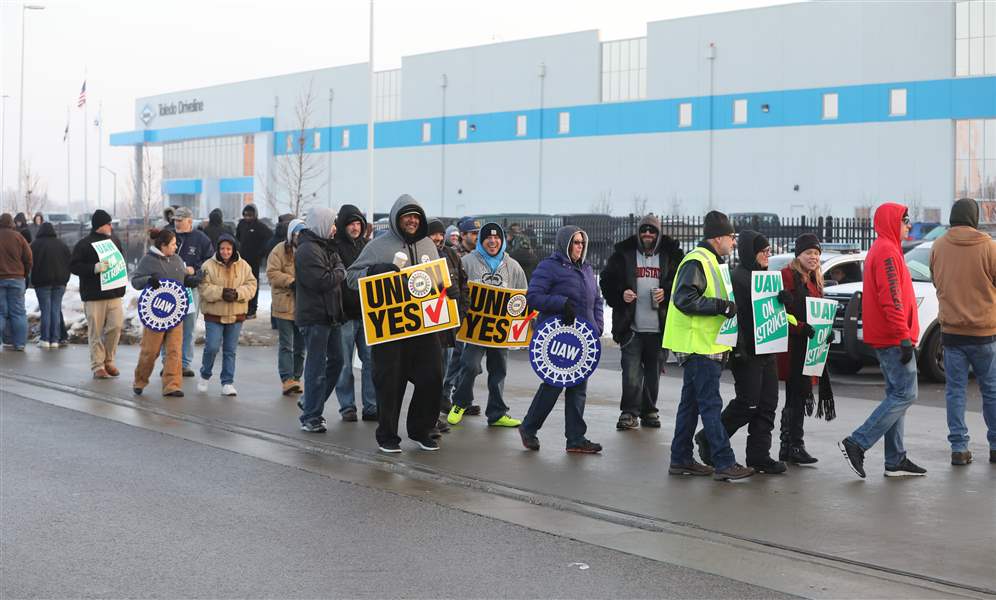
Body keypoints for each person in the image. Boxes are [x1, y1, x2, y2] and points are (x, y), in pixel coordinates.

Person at [346, 194, 443, 453]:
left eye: (416, 217)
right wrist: (373, 271)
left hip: (424, 326)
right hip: (391, 328)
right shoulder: (378, 246)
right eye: (407, 216)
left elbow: (437, 281)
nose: (412, 221)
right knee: (390, 383)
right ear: (396, 219)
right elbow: (350, 277)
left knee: (432, 377)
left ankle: (422, 430)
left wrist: (447, 290)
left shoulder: (428, 245)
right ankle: (387, 435)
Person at [663, 211, 754, 481]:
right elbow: (684, 299)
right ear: (717, 238)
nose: (734, 242)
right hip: (699, 346)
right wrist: (721, 306)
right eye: (731, 236)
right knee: (710, 405)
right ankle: (724, 462)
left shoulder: (710, 261)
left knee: (690, 406)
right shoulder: (698, 260)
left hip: (704, 345)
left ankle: (680, 458)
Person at [839, 203, 925, 478]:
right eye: (905, 220)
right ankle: (857, 442)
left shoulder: (887, 248)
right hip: (893, 338)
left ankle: (895, 459)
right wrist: (903, 337)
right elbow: (892, 299)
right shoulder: (887, 251)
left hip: (891, 337)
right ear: (891, 221)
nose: (909, 225)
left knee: (896, 395)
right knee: (906, 394)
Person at [693, 231, 787, 474]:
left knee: (767, 404)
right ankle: (710, 439)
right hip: (746, 352)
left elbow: (771, 314)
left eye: (768, 251)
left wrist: (782, 302)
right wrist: (738, 348)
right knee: (748, 403)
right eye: (762, 251)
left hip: (767, 348)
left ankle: (759, 455)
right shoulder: (737, 278)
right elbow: (735, 317)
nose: (767, 255)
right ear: (750, 252)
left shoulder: (766, 278)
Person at [519, 225, 604, 454]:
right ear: (565, 244)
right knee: (553, 386)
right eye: (576, 242)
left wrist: (597, 326)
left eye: (582, 243)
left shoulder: (586, 268)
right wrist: (560, 303)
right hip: (557, 337)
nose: (580, 247)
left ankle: (576, 439)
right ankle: (528, 428)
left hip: (582, 339)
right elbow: (533, 297)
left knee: (578, 389)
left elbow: (596, 300)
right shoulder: (549, 267)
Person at [600, 214, 683, 430]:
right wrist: (621, 294)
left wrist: (666, 293)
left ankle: (649, 411)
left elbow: (682, 285)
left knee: (653, 374)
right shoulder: (623, 254)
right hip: (631, 327)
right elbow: (606, 282)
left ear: (658, 234)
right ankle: (629, 413)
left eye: (652, 230)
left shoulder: (671, 256)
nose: (647, 234)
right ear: (638, 233)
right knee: (631, 373)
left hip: (659, 328)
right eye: (644, 230)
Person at [929, 198, 996, 466]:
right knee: (991, 390)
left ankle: (959, 447)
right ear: (974, 217)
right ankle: (995, 446)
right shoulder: (989, 246)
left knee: (955, 391)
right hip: (984, 332)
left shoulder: (938, 245)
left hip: (952, 332)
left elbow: (936, 280)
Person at [447, 221, 524, 428]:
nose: (492, 241)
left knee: (499, 370)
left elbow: (522, 296)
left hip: (500, 329)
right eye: (488, 237)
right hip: (474, 328)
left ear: (502, 240)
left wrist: (521, 324)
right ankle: (460, 403)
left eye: (496, 237)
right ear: (481, 240)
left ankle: (497, 413)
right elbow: (457, 288)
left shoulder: (513, 266)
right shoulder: (467, 262)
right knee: (470, 365)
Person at [775, 233, 832, 465]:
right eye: (809, 252)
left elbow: (818, 313)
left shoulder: (815, 279)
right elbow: (779, 312)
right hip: (793, 348)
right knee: (796, 395)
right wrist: (800, 327)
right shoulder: (787, 275)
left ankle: (790, 446)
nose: (813, 257)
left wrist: (825, 331)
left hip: (809, 347)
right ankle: (793, 445)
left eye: (817, 253)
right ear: (798, 254)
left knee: (797, 396)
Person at [296, 208, 347, 431]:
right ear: (322, 223)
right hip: (315, 317)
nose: (335, 228)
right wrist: (338, 272)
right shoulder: (307, 250)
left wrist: (337, 270)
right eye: (332, 223)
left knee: (337, 361)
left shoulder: (326, 246)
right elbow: (322, 280)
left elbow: (339, 267)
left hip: (331, 315)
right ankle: (311, 417)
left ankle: (310, 402)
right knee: (316, 368)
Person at [131, 228, 197, 397]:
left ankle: (172, 385)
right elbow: (135, 281)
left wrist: (192, 280)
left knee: (174, 350)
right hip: (156, 314)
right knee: (150, 351)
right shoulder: (148, 260)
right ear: (163, 245)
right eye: (173, 244)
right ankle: (140, 380)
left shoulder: (177, 259)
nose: (176, 247)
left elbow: (183, 279)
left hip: (175, 313)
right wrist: (148, 280)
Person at [196, 234, 257, 396]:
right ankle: (205, 375)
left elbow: (252, 285)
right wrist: (221, 293)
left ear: (234, 249)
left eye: (229, 249)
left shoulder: (244, 266)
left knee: (230, 350)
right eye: (222, 248)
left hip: (236, 314)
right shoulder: (208, 265)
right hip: (214, 314)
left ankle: (227, 382)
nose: (225, 252)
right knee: (212, 347)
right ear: (218, 249)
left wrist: (237, 294)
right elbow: (203, 287)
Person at [333, 204, 377, 422]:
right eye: (351, 223)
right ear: (343, 225)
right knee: (344, 364)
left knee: (371, 361)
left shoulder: (367, 246)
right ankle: (347, 406)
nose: (355, 227)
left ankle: (371, 406)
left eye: (358, 223)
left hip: (367, 315)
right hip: (345, 316)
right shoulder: (334, 247)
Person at [69, 210, 126, 378]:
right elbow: (74, 266)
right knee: (96, 331)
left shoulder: (114, 241)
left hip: (114, 293)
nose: (111, 227)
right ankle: (98, 365)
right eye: (108, 224)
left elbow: (121, 260)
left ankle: (109, 360)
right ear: (100, 225)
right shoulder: (84, 244)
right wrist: (94, 268)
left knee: (115, 327)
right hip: (94, 295)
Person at [426, 218, 467, 435]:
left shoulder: (451, 254)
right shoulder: (421, 255)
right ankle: (429, 418)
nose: (438, 238)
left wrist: (462, 309)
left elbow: (463, 282)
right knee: (430, 374)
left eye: (441, 234)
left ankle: (435, 412)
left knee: (443, 371)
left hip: (449, 324)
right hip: (429, 325)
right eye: (434, 234)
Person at [442, 217, 483, 416]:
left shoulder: (479, 255)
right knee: (455, 357)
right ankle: (445, 395)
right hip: (456, 311)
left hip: (473, 314)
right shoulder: (453, 254)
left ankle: (462, 399)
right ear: (463, 235)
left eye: (478, 234)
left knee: (468, 361)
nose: (477, 237)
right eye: (473, 234)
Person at [168, 206, 212, 377]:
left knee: (188, 327)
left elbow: (209, 262)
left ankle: (184, 363)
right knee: (168, 327)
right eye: (175, 220)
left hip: (189, 289)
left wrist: (196, 270)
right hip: (169, 288)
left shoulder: (201, 239)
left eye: (180, 220)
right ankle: (168, 363)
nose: (177, 223)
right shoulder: (169, 235)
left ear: (189, 221)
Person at [266, 218, 306, 396]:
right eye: (297, 234)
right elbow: (272, 273)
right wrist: (290, 281)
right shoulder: (279, 250)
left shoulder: (308, 250)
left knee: (301, 347)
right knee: (286, 345)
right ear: (291, 234)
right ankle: (287, 379)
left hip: (304, 306)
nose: (299, 237)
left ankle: (296, 378)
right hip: (284, 304)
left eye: (302, 234)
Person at [29, 222, 71, 349]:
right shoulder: (62, 245)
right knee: (55, 310)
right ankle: (55, 340)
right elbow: (69, 262)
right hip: (60, 282)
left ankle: (45, 339)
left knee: (45, 311)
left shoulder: (35, 245)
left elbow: (29, 262)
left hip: (42, 283)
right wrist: (65, 278)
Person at [0, 213, 32, 351]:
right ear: (11, 223)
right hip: (17, 279)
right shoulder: (19, 237)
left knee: (1, 313)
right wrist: (24, 274)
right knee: (18, 313)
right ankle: (20, 344)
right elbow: (29, 258)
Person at [235, 204, 272, 319]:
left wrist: (260, 253)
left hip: (254, 261)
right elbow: (238, 237)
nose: (247, 217)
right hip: (242, 260)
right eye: (245, 215)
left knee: (253, 284)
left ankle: (252, 308)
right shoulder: (241, 224)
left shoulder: (260, 226)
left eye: (250, 215)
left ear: (255, 215)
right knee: (241, 283)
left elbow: (269, 238)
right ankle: (243, 306)